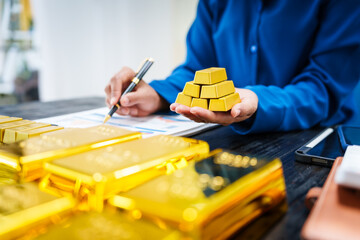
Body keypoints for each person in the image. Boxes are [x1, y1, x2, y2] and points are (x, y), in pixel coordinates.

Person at [105, 0, 360, 134]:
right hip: (230, 138)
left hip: (323, 137)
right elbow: (198, 69)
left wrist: (260, 101)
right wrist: (158, 95)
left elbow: (324, 87)